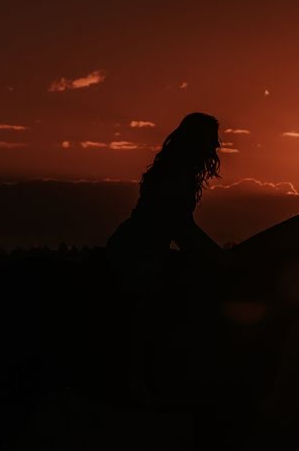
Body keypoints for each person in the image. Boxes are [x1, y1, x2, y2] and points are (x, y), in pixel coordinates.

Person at [106, 112, 227, 417]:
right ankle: (134, 378)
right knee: (148, 304)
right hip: (138, 250)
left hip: (154, 248)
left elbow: (180, 227)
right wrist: (216, 256)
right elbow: (177, 226)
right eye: (210, 139)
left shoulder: (179, 171)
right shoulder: (175, 174)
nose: (215, 146)